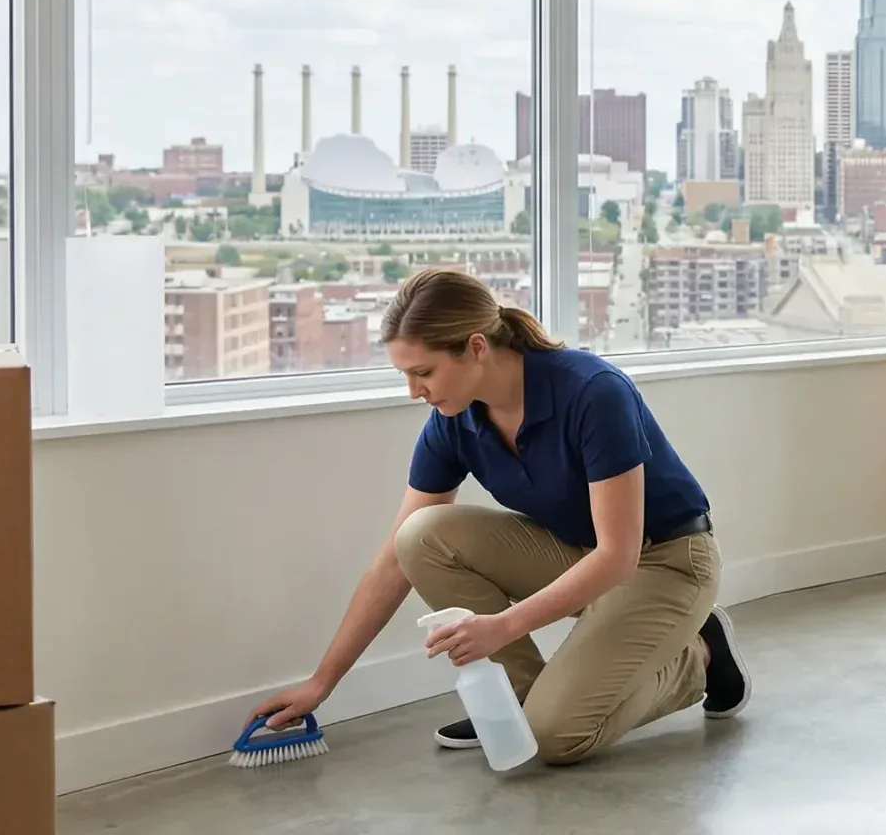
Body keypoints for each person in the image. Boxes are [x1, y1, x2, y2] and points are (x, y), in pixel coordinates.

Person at [250, 269, 749, 765]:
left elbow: (618, 557)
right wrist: (322, 682)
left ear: (476, 347)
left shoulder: (594, 392)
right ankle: (517, 700)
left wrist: (502, 626)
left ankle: (700, 657)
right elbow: (393, 564)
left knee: (554, 738)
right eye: (404, 374)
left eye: (423, 373)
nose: (412, 391)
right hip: (577, 551)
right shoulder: (454, 422)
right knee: (420, 536)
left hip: (665, 560)